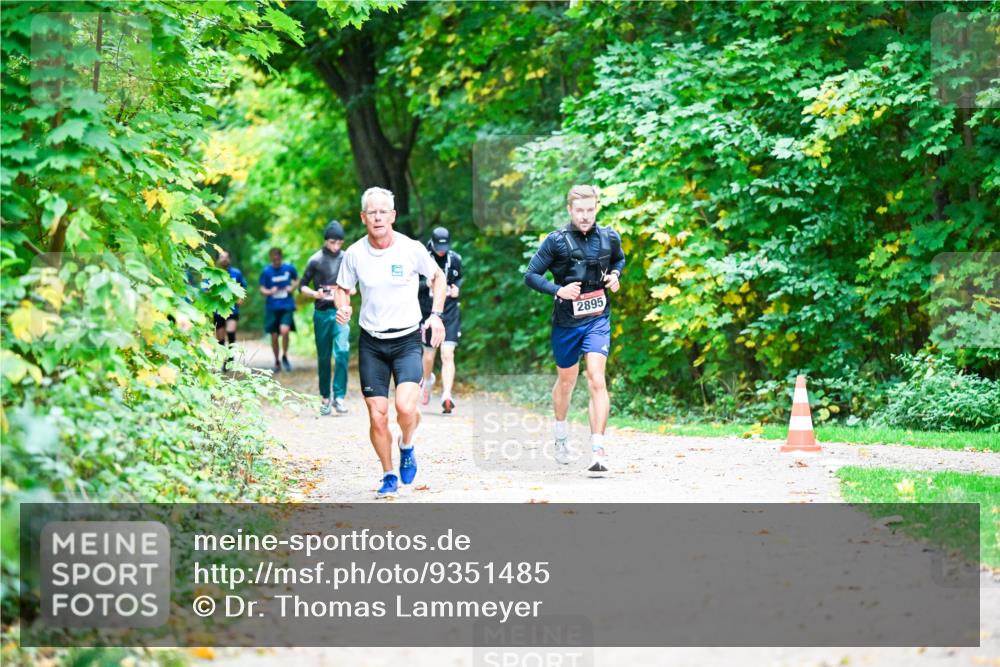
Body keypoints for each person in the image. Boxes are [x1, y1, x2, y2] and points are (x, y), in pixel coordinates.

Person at [334, 187, 447, 499]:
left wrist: (436, 315)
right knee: (377, 414)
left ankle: (406, 444)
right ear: (364, 217)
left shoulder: (411, 249)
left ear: (393, 216)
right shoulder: (355, 253)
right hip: (372, 343)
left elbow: (438, 278)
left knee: (405, 407)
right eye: (373, 212)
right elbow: (342, 288)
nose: (378, 216)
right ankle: (388, 473)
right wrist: (342, 306)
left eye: (384, 211)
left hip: (407, 339)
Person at [524, 184, 626, 474]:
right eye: (579, 211)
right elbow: (530, 275)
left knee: (596, 378)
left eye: (590, 210)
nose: (585, 216)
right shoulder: (556, 241)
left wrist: (616, 275)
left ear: (596, 208)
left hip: (597, 318)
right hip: (566, 323)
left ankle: (598, 449)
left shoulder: (609, 237)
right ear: (570, 210)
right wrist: (558, 290)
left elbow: (619, 259)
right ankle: (560, 436)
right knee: (567, 381)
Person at [300, 221, 352, 416]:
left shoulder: (347, 258)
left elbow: (354, 284)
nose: (336, 246)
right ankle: (324, 396)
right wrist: (315, 294)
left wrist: (349, 290)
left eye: (339, 242)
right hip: (322, 312)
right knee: (324, 356)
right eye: (332, 242)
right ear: (326, 241)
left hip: (342, 311)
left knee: (342, 351)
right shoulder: (316, 259)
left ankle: (339, 396)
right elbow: (302, 286)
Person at [418, 226, 463, 414]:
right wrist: (425, 284)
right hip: (428, 313)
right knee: (429, 356)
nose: (442, 250)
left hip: (450, 312)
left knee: (447, 353)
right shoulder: (422, 258)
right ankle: (427, 381)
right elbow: (409, 283)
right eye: (439, 247)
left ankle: (446, 395)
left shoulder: (455, 259)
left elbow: (459, 279)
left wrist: (456, 289)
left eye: (445, 246)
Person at [259, 247, 299, 373]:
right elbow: (262, 289)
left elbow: (297, 280)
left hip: (287, 305)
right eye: (274, 258)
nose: (276, 260)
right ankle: (277, 361)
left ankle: (285, 355)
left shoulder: (289, 268)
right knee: (274, 335)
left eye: (278, 258)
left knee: (285, 330)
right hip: (272, 307)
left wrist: (291, 288)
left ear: (281, 257)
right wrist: (270, 291)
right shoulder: (266, 271)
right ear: (271, 258)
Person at [212, 250, 247, 372]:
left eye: (227, 257)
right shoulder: (213, 273)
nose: (224, 259)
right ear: (217, 259)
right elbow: (205, 289)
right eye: (222, 257)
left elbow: (243, 287)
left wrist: (241, 299)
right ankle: (224, 360)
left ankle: (231, 359)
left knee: (231, 332)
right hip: (217, 309)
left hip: (233, 309)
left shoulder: (236, 273)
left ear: (230, 259)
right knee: (220, 338)